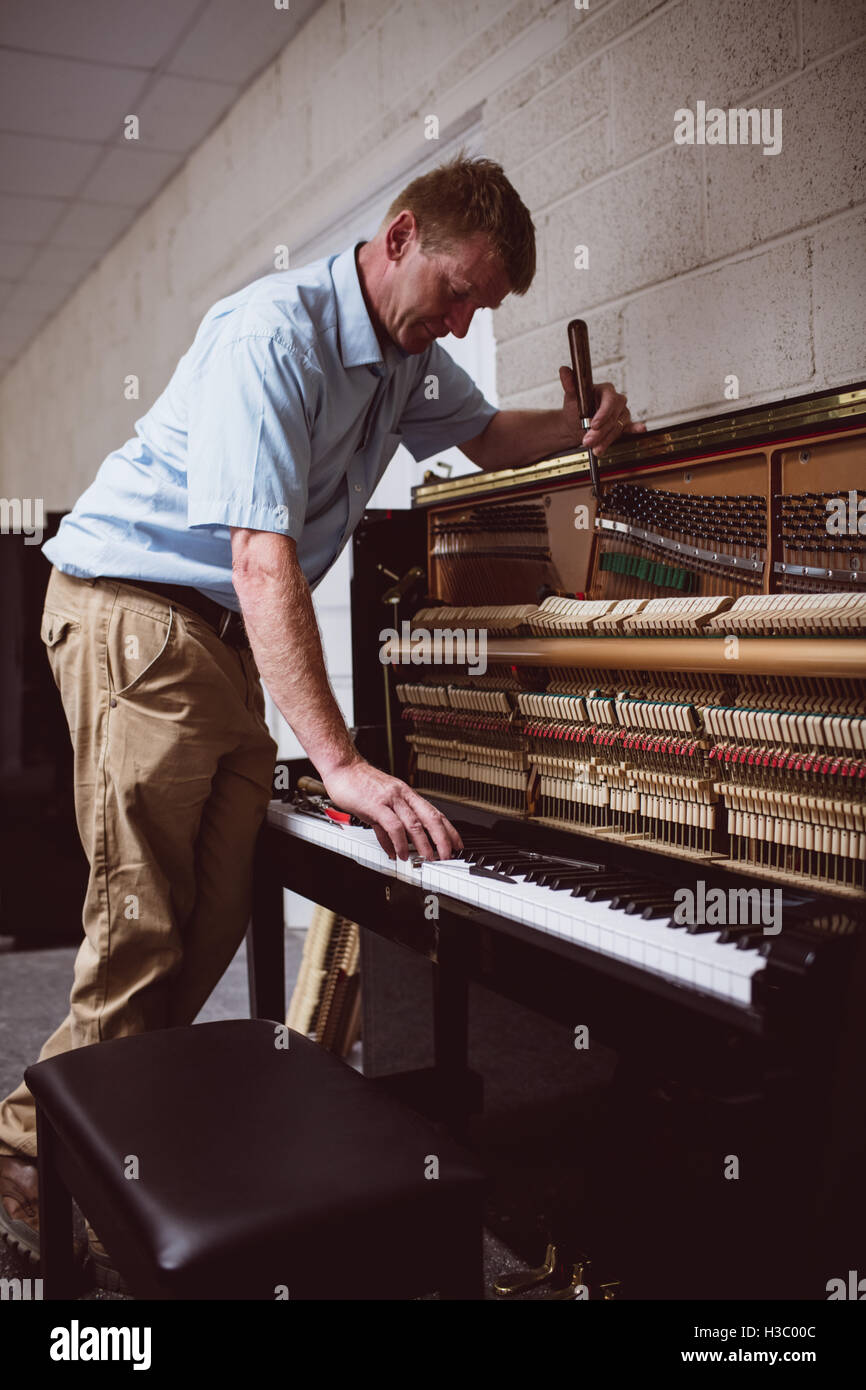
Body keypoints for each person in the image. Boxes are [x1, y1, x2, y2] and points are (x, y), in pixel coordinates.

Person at [0, 154, 644, 1281]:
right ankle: (30, 1166)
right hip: (134, 611)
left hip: (212, 634)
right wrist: (338, 760)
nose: (457, 320)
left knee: (206, 918)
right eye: (454, 292)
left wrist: (577, 423)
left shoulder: (408, 359)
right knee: (144, 916)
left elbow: (487, 438)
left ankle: (63, 1128)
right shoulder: (274, 334)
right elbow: (262, 556)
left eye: (477, 310)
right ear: (397, 237)